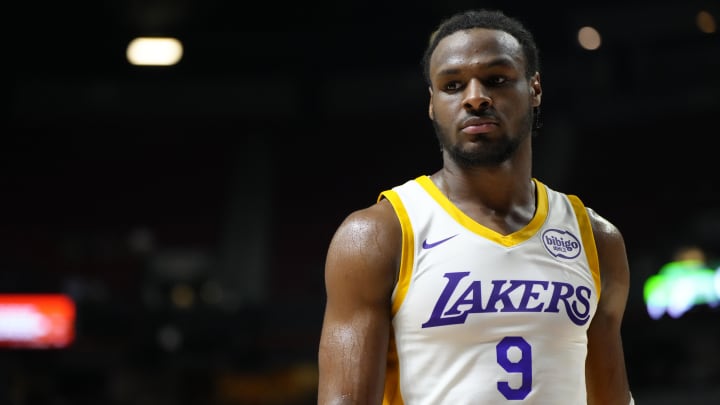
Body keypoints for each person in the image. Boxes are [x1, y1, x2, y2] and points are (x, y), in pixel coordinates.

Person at [317, 8, 634, 405]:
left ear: (534, 89)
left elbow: (612, 398)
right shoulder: (378, 236)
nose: (475, 98)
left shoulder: (597, 239)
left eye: (496, 80)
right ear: (432, 103)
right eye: (452, 85)